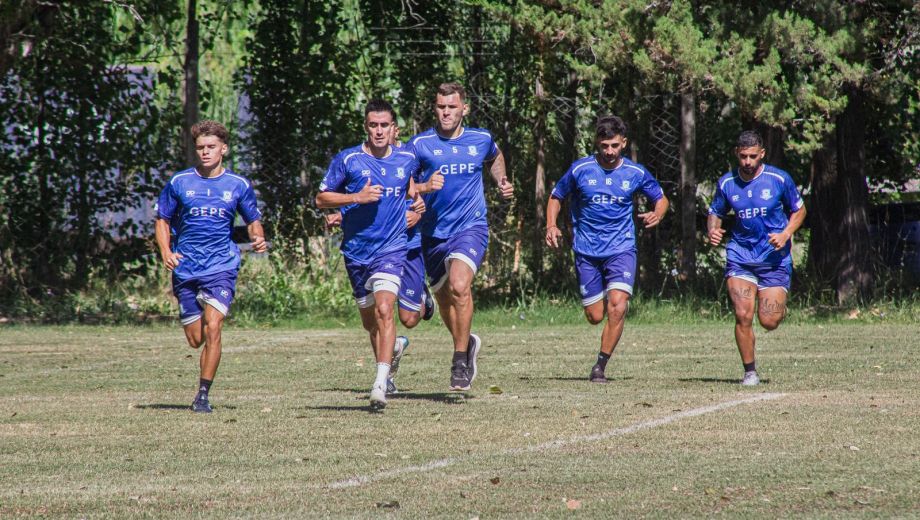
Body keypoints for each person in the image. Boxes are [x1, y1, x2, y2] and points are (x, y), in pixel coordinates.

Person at [315, 99, 423, 409]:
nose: (378, 131)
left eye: (384, 125)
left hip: (391, 249)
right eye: (373, 125)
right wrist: (355, 197)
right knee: (370, 322)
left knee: (386, 310)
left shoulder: (406, 159)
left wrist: (418, 206)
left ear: (393, 129)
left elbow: (412, 191)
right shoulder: (348, 160)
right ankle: (393, 351)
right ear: (366, 127)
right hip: (356, 253)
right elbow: (321, 198)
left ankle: (380, 384)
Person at [545, 115, 669, 383]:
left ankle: (600, 366)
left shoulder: (635, 173)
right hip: (586, 251)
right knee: (594, 315)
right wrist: (551, 225)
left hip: (621, 248)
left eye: (614, 145)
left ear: (623, 143)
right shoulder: (581, 170)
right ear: (597, 144)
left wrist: (657, 214)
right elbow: (556, 196)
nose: (610, 152)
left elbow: (660, 198)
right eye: (604, 146)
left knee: (618, 306)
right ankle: (598, 298)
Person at [155, 120, 267, 413]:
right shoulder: (179, 182)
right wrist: (166, 251)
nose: (205, 152)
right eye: (200, 148)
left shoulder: (238, 185)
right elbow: (162, 220)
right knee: (196, 339)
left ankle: (202, 395)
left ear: (223, 149)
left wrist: (258, 238)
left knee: (214, 326)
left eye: (211, 147)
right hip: (186, 267)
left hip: (221, 265)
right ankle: (203, 344)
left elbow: (253, 221)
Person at [410, 82, 514, 392]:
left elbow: (495, 156)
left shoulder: (480, 139)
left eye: (452, 107)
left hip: (471, 226)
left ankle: (458, 361)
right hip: (432, 234)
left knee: (459, 286)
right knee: (444, 301)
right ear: (435, 108)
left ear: (464, 109)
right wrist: (423, 189)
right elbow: (404, 181)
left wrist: (501, 181)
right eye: (441, 106)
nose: (446, 112)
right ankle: (466, 343)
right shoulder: (419, 145)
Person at [707, 130, 806, 386]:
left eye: (753, 156)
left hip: (774, 260)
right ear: (736, 155)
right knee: (742, 314)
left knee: (769, 320)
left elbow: (799, 210)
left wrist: (785, 234)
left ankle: (773, 298)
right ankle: (750, 372)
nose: (748, 162)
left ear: (762, 154)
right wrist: (713, 230)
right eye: (743, 157)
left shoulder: (778, 179)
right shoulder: (727, 183)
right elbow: (715, 211)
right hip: (740, 256)